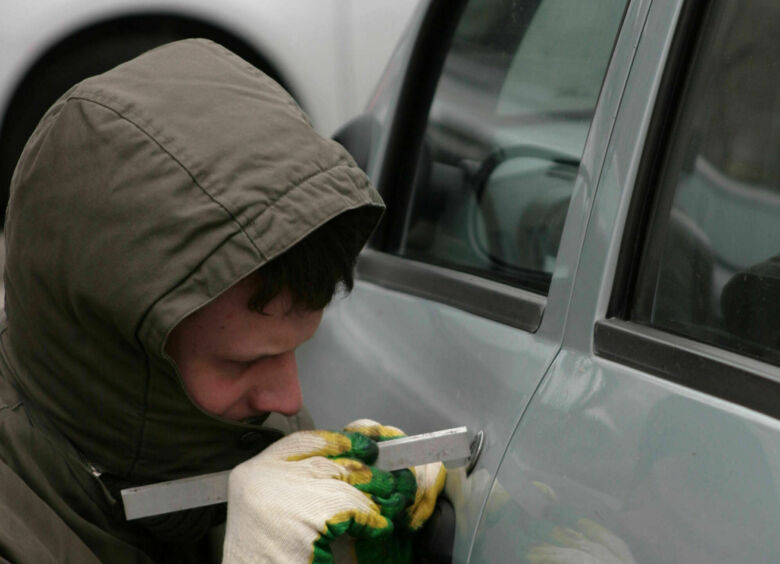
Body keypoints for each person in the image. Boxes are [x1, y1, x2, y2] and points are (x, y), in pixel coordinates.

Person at [0, 39, 443, 563]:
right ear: (114, 351)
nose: (289, 400)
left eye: (295, 349)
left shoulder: (237, 426)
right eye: (245, 362)